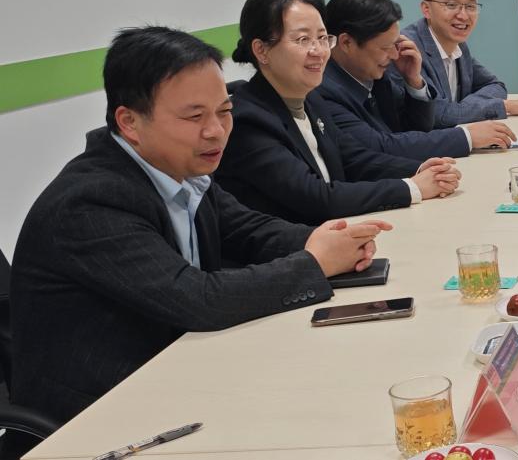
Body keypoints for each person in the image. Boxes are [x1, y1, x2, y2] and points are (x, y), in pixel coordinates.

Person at [9, 27, 392, 425]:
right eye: (194, 116)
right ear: (130, 122)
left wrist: (325, 240)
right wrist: (315, 262)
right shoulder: (91, 201)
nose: (216, 131)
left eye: (224, 112)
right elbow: (196, 299)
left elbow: (248, 230)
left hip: (182, 375)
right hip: (97, 416)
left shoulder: (180, 168)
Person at [216, 0, 462, 225]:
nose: (318, 51)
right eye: (303, 39)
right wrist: (411, 188)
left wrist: (422, 169)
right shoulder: (247, 121)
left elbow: (353, 158)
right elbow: (316, 197)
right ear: (261, 50)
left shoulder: (311, 99)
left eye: (322, 38)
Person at [314, 0, 517, 160]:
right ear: (346, 43)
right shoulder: (323, 90)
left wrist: (414, 81)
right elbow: (381, 146)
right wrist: (467, 136)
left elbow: (415, 129)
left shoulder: (376, 76)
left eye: (396, 44)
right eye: (385, 47)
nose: (395, 55)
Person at [402, 0, 518, 124]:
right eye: (451, 5)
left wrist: (463, 109)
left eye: (471, 6)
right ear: (426, 9)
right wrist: (501, 106)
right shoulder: (408, 51)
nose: (463, 15)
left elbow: (495, 86)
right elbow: (436, 115)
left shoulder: (459, 46)